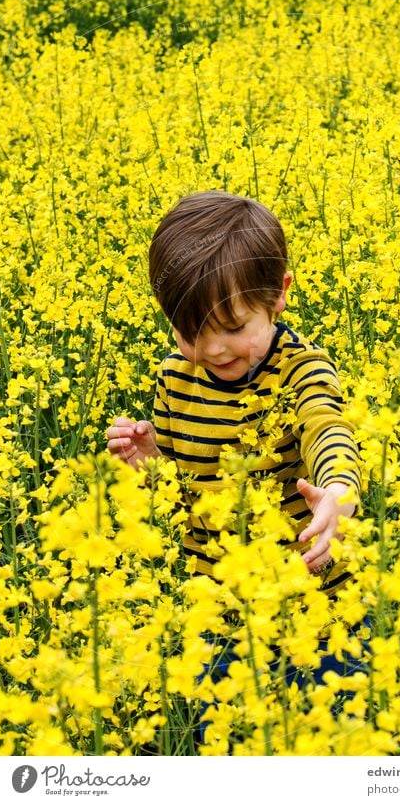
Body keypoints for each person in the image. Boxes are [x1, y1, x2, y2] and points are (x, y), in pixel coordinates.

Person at [107, 191, 366, 737]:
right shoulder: (175, 378)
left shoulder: (302, 371)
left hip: (317, 612)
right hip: (218, 616)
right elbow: (178, 490)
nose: (213, 350)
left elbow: (328, 427)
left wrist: (338, 488)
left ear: (279, 298)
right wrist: (149, 461)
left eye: (231, 328)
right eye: (188, 332)